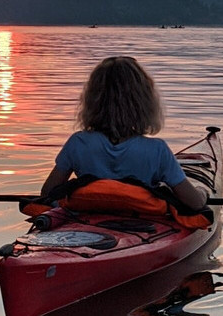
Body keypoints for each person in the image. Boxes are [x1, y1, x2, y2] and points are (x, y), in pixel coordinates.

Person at [40, 56, 207, 211]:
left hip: (87, 219)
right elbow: (195, 204)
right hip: (140, 224)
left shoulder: (78, 143)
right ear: (144, 102)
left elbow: (48, 193)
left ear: (92, 100)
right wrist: (203, 192)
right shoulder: (157, 150)